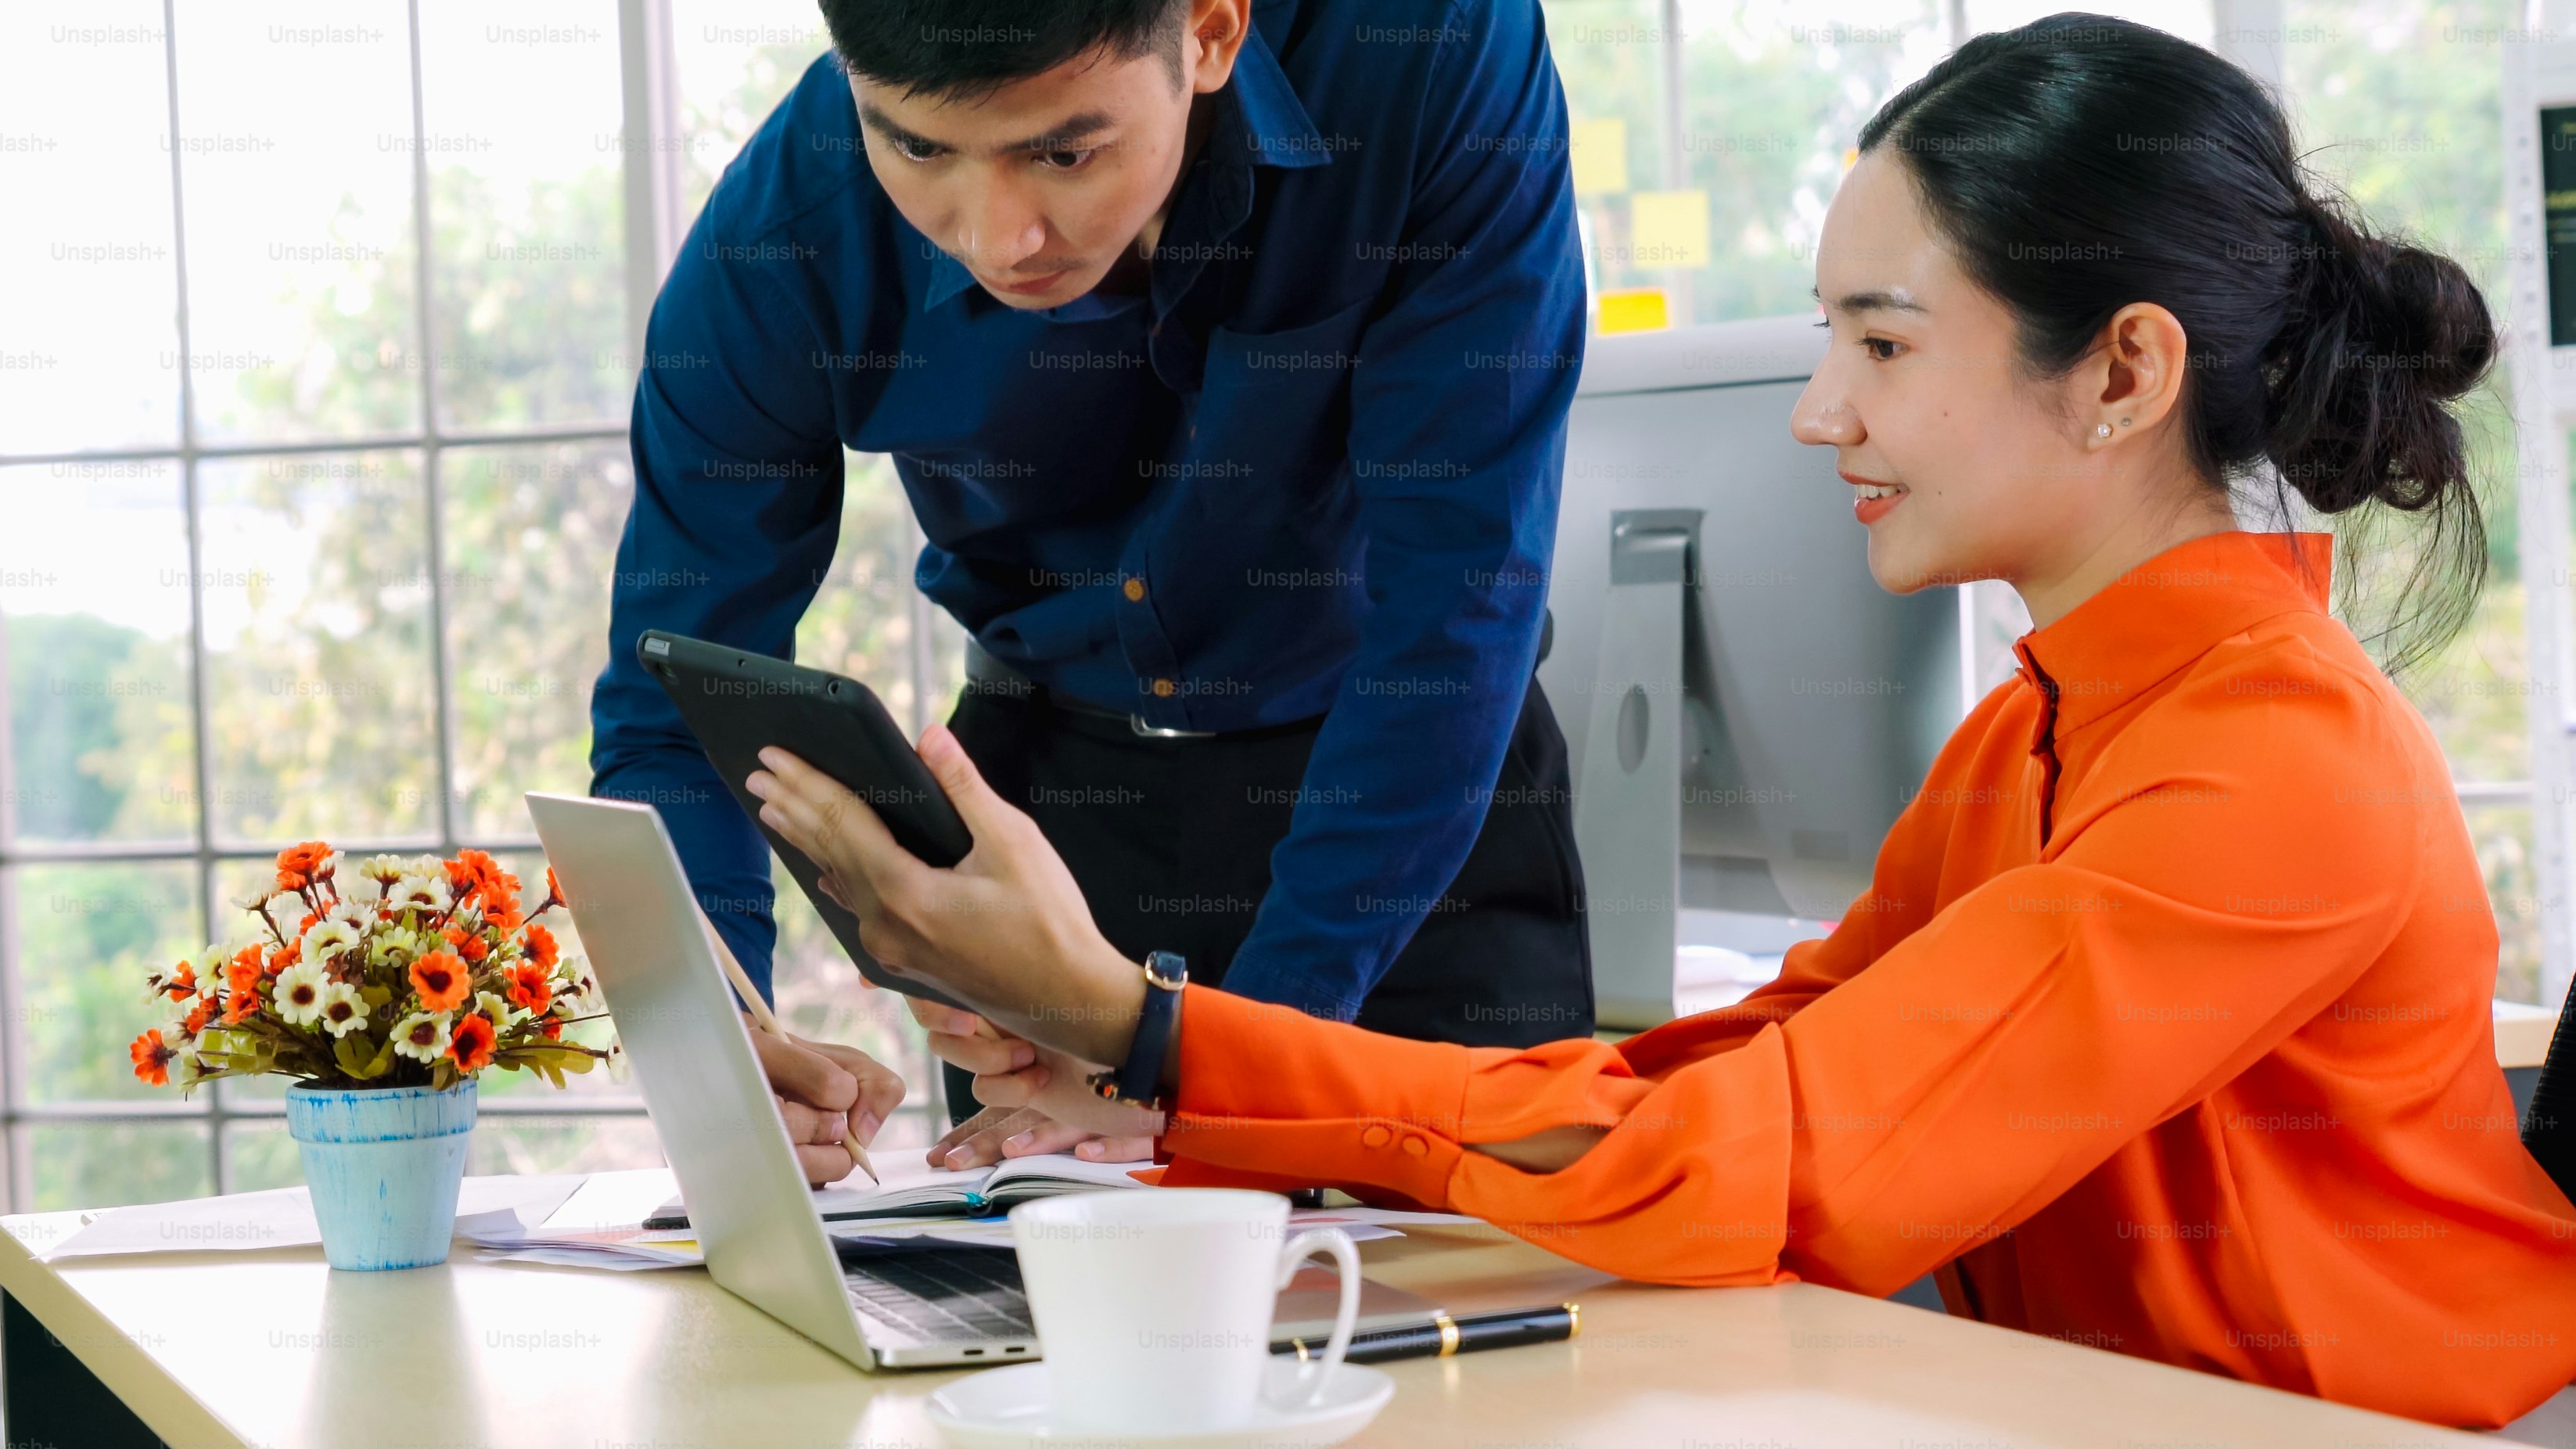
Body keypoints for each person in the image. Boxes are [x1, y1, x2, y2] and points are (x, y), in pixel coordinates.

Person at [736, 13, 2576, 1429]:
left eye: (1881, 343)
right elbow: (1720, 1080)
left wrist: (1131, 1014)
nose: (1817, 413)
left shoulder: (2266, 764)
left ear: (2123, 371)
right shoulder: (2030, 739)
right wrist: (1170, 1073)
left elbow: (1768, 1161)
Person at [587, 0, 1596, 1179]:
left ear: (1211, 33)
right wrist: (726, 1040)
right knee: (1046, 1337)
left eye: (1063, 153)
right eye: (917, 149)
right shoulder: (783, 235)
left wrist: (1218, 1075)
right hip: (1051, 837)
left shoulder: (1428, 50)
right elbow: (671, 698)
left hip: (1406, 803)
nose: (999, 236)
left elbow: (1456, 605)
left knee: (1483, 1313)